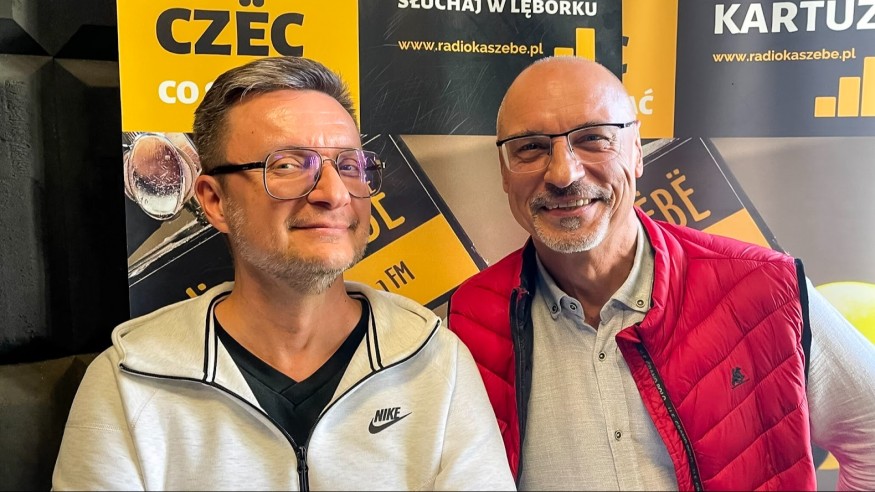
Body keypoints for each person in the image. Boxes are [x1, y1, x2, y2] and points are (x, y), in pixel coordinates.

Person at [53, 56, 515, 491]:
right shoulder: (130, 382)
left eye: (349, 165)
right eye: (288, 165)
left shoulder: (436, 361)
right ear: (214, 201)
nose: (335, 193)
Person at [448, 56, 875, 491]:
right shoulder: (470, 320)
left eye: (593, 139)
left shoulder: (765, 289)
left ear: (636, 151)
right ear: (504, 171)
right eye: (531, 147)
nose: (562, 173)